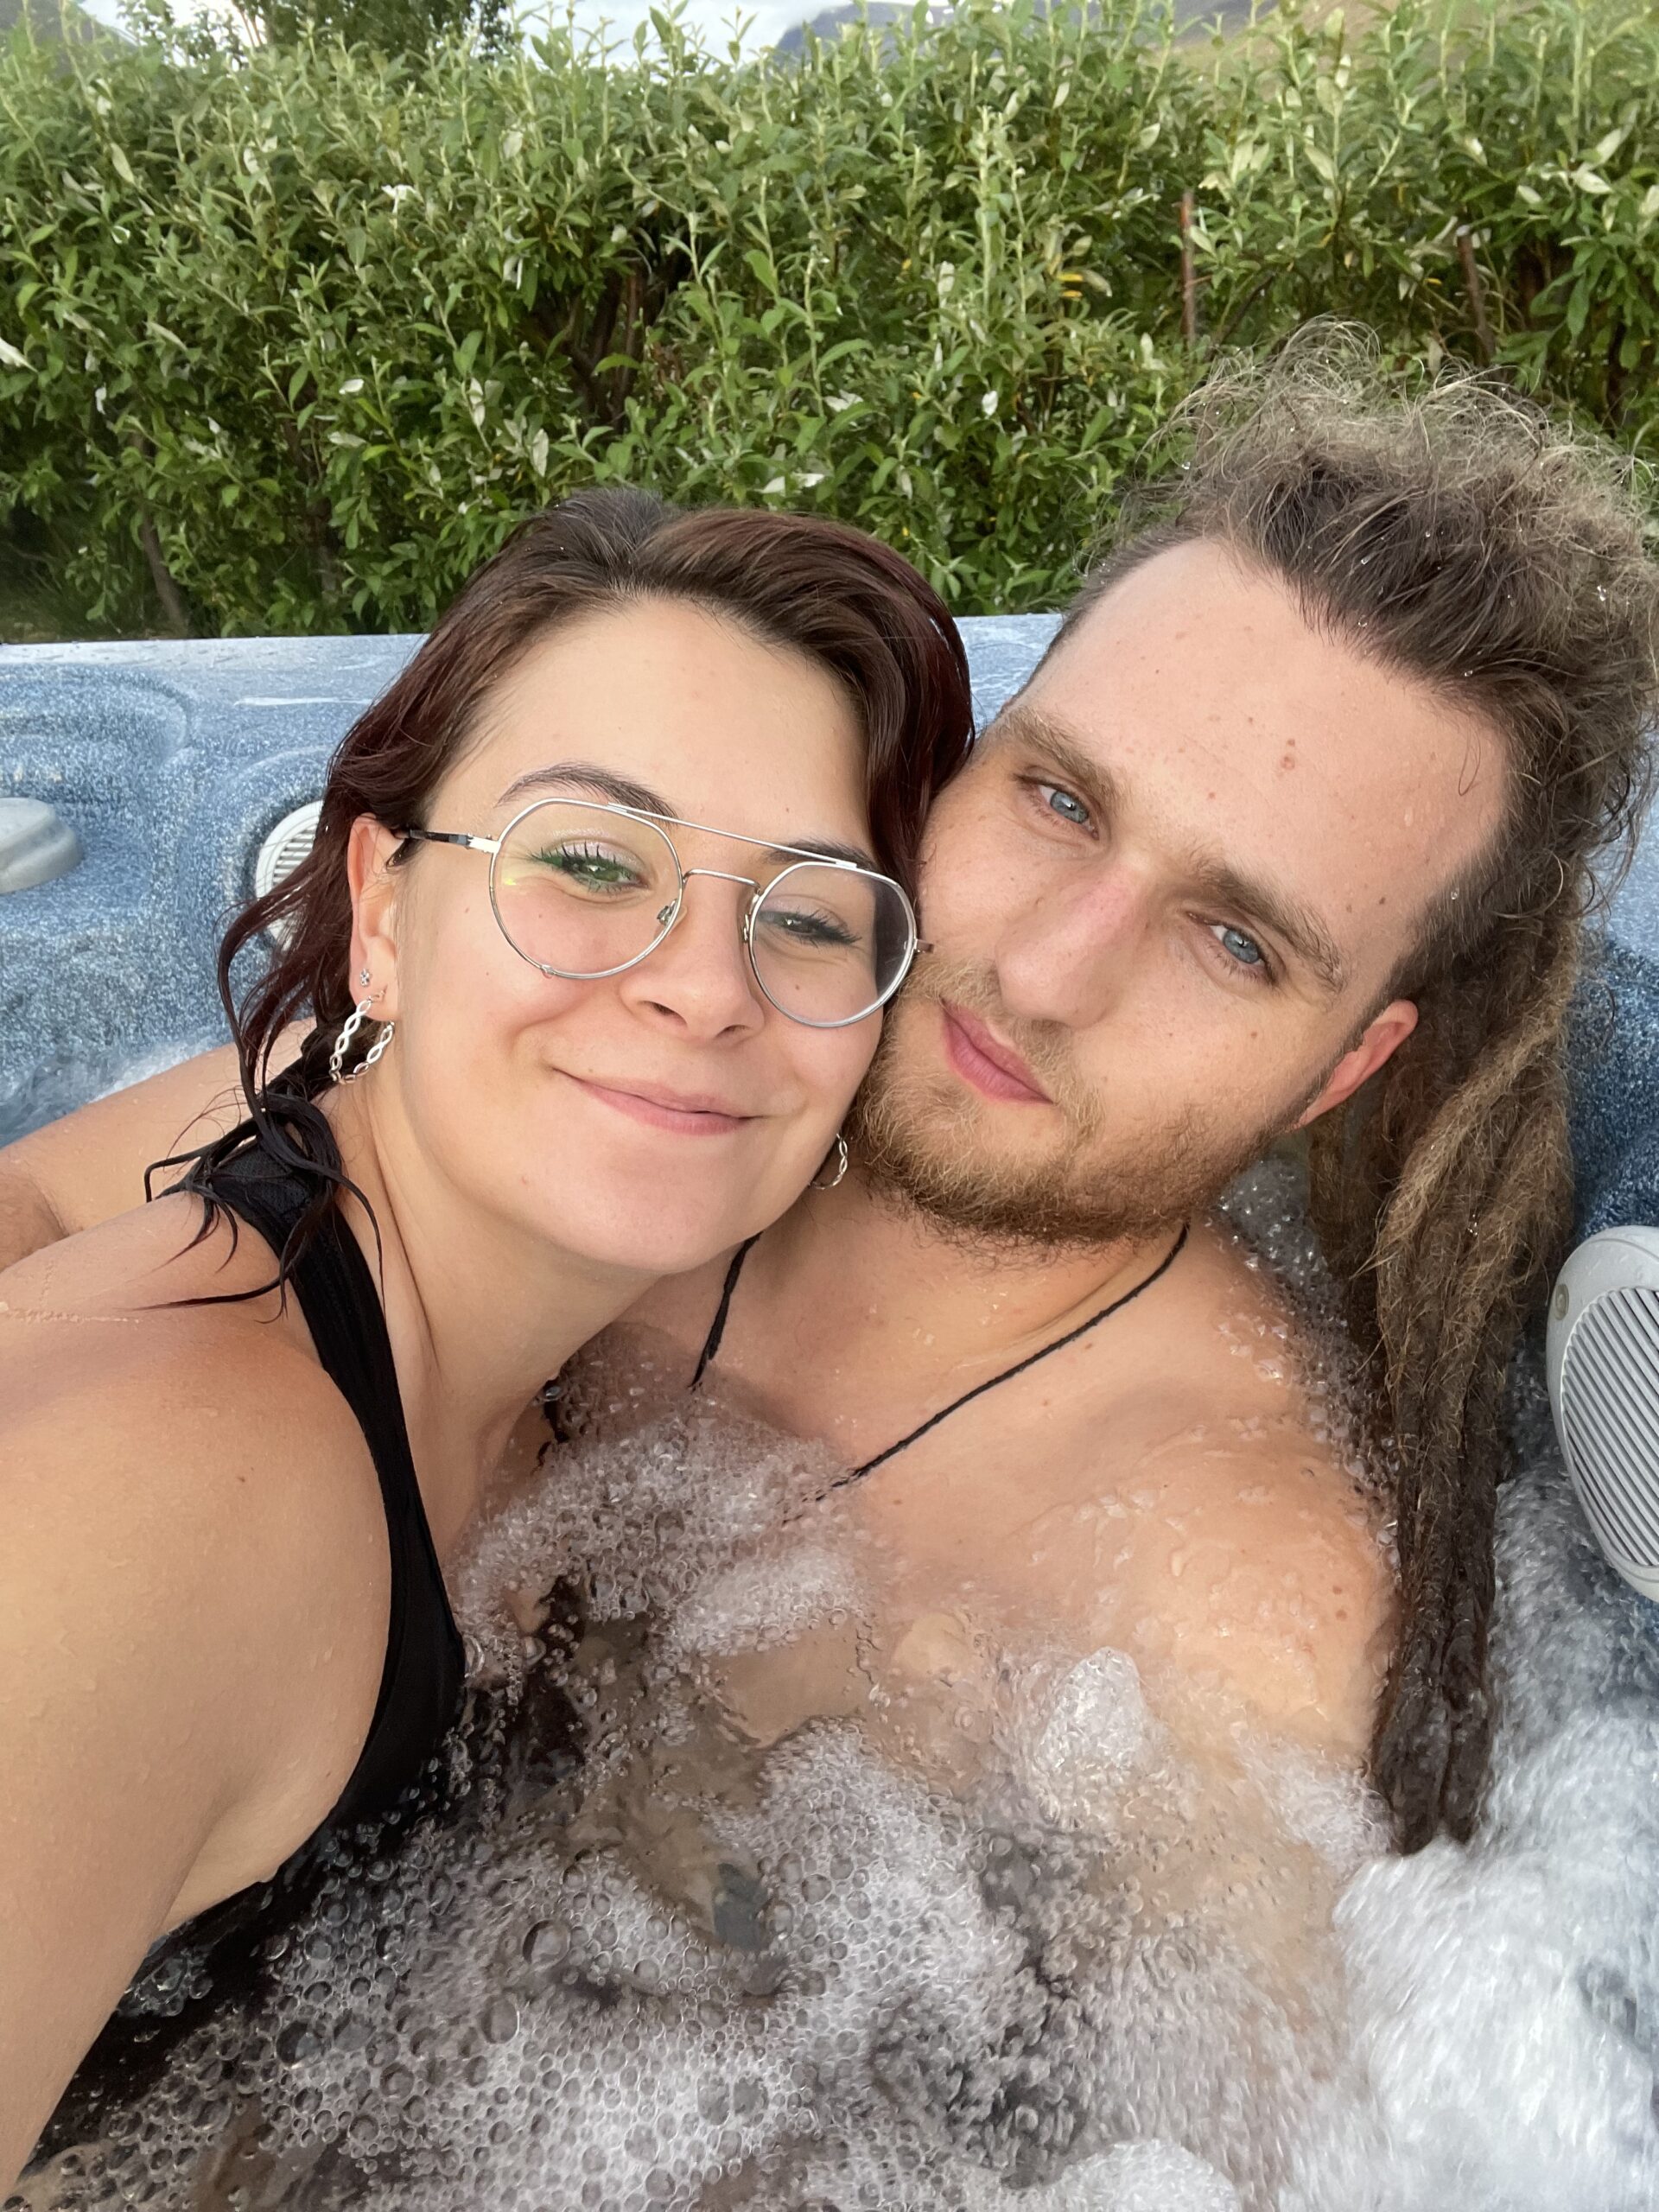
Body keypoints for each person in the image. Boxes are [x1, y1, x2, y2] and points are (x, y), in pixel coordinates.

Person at [4, 334, 1656, 1872]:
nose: (1044, 972)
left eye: (1235, 940)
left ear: (1343, 1069)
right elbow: (61, 1210)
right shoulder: (661, 1056)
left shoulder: (1212, 1608)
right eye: (1061, 800)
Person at [0, 487, 974, 2185]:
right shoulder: (168, 1490)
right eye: (591, 861)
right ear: (384, 913)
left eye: (813, 913)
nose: (705, 986)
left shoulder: (340, 1148)